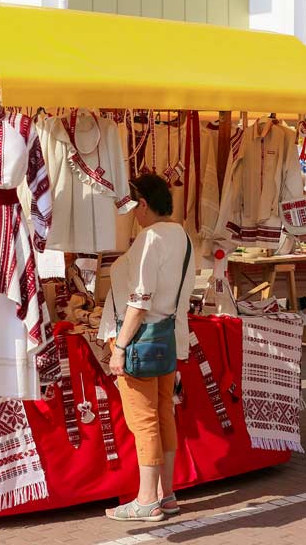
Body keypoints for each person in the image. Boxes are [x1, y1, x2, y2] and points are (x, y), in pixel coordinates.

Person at [99, 173, 196, 523]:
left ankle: (146, 499)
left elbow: (138, 302)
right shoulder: (182, 237)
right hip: (166, 337)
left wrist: (120, 346)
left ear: (143, 203)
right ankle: (165, 494)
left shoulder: (150, 238)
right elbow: (181, 298)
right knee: (162, 415)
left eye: (132, 204)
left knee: (144, 421)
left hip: (139, 337)